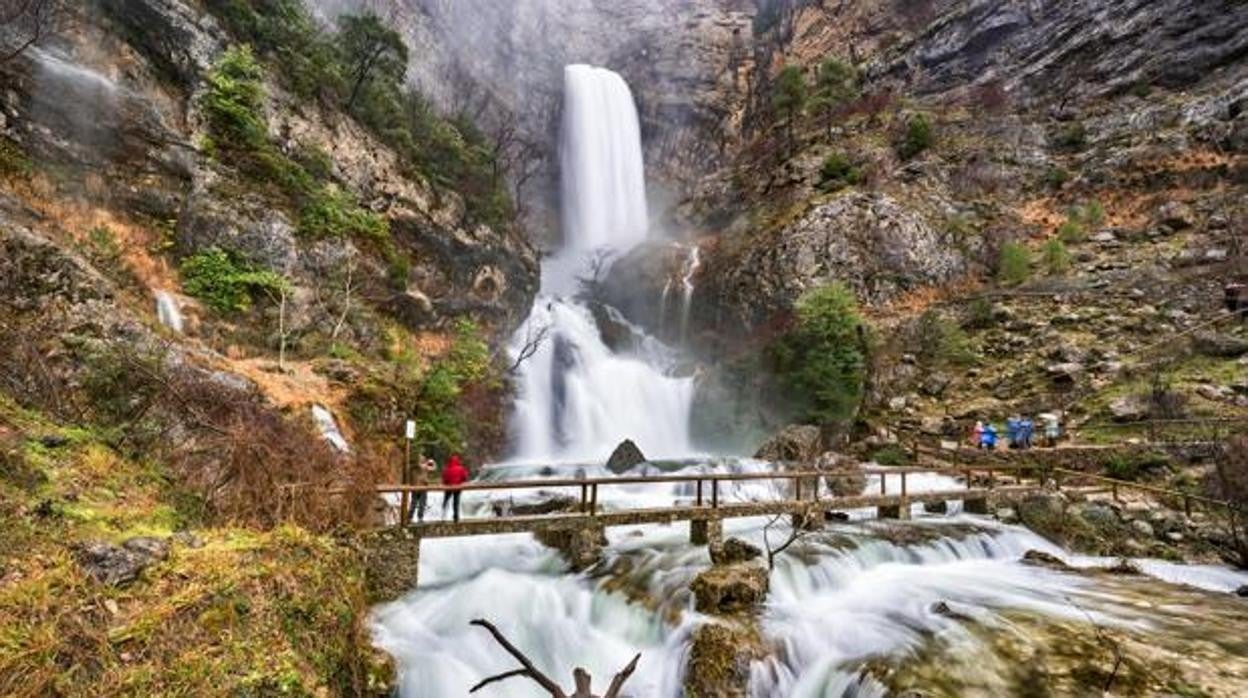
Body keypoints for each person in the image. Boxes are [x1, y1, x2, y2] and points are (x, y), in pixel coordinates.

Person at [441, 454, 469, 522]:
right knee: (456, 502)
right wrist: (460, 482)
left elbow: (444, 478)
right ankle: (456, 516)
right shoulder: (461, 468)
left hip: (449, 487)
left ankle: (443, 515)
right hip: (457, 487)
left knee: (446, 500)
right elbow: (465, 477)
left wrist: (446, 483)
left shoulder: (447, 468)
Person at [409, 456, 438, 523]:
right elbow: (434, 468)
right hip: (422, 488)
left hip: (414, 487)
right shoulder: (424, 467)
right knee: (421, 504)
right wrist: (432, 462)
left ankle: (410, 518)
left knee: (414, 503)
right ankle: (420, 518)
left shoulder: (413, 468)